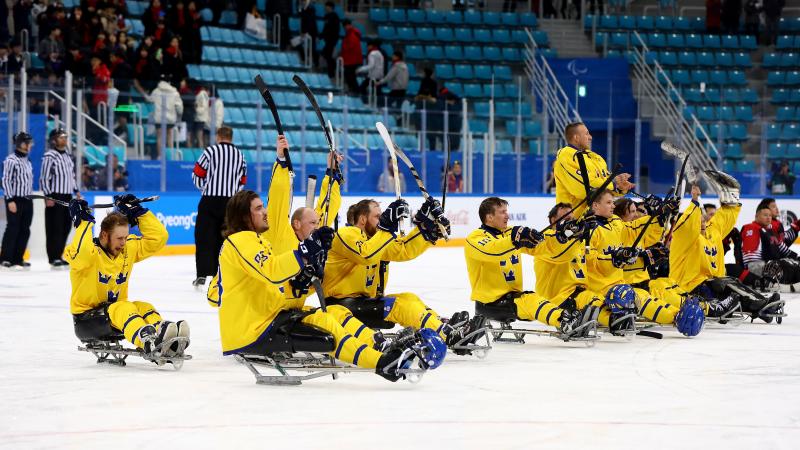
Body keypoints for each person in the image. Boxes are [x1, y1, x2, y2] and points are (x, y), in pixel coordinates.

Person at [209, 189, 438, 382]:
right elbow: (273, 272)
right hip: (253, 328)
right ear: (243, 215)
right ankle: (380, 362)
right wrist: (304, 254)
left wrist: (306, 276)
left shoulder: (258, 242)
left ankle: (376, 344)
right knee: (327, 322)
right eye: (258, 208)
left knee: (335, 312)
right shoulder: (239, 241)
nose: (265, 212)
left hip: (270, 316)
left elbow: (279, 290)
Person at [323, 196, 483, 354]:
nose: (382, 219)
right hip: (341, 305)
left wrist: (426, 230)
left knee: (408, 298)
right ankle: (447, 335)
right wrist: (386, 229)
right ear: (363, 219)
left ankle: (440, 324)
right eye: (378, 217)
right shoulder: (347, 234)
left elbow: (403, 249)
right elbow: (366, 254)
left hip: (365, 303)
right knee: (399, 305)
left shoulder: (376, 240)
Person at [66, 194, 190, 360]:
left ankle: (165, 337)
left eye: (125, 237)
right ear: (104, 235)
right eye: (119, 238)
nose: (124, 242)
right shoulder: (89, 254)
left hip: (114, 316)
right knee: (123, 308)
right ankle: (148, 342)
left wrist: (138, 213)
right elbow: (82, 253)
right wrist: (83, 222)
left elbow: (159, 238)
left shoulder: (127, 249)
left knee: (143, 306)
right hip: (86, 320)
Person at [465, 197, 596, 338]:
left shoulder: (509, 233)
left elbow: (545, 247)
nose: (507, 216)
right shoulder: (475, 238)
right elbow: (493, 250)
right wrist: (515, 239)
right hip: (489, 302)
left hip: (511, 298)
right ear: (489, 217)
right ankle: (564, 321)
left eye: (506, 211)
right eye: (502, 212)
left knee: (531, 300)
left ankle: (567, 319)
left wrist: (565, 236)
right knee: (530, 300)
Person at [585, 189, 705, 336]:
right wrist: (615, 258)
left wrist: (659, 215)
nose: (613, 206)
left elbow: (635, 229)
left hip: (619, 283)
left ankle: (679, 312)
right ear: (595, 206)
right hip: (599, 288)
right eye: (609, 202)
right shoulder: (589, 230)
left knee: (645, 297)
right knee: (640, 299)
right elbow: (589, 262)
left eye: (613, 202)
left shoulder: (615, 223)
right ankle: (675, 317)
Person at [670, 175, 783, 322]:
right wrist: (695, 201)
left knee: (730, 281)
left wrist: (731, 197)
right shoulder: (685, 240)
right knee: (724, 285)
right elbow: (686, 226)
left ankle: (762, 305)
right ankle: (762, 307)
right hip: (689, 288)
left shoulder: (712, 232)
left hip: (713, 282)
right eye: (697, 219)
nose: (702, 220)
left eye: (702, 218)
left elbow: (724, 217)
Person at [191, 126, 246, 289]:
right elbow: (242, 180)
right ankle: (220, 275)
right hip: (230, 203)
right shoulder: (240, 155)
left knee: (204, 237)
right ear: (231, 137)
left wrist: (205, 188)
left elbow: (197, 174)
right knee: (225, 240)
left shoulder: (210, 151)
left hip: (209, 200)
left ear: (218, 136)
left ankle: (202, 274)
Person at [554, 122, 634, 218]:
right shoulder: (566, 157)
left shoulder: (595, 158)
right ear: (576, 137)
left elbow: (606, 186)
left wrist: (619, 188)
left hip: (596, 219)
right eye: (586, 134)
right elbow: (584, 189)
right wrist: (613, 184)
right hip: (574, 222)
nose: (590, 137)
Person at [40, 128, 79, 269]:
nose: (64, 139)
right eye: (60, 137)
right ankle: (53, 257)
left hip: (68, 196)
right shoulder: (49, 156)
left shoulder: (68, 156)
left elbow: (71, 176)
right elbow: (44, 178)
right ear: (54, 140)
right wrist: (48, 196)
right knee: (54, 227)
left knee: (65, 227)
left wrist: (77, 191)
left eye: (65, 137)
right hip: (55, 196)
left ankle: (59, 255)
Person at [1, 132, 34, 271]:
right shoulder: (11, 160)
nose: (30, 145)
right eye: (28, 143)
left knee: (25, 230)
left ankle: (18, 258)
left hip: (27, 200)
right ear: (21, 144)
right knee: (12, 229)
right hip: (15, 200)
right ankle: (6, 259)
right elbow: (6, 180)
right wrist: (10, 200)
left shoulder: (28, 160)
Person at [148, 75, 183, 157]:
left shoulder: (156, 91)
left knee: (159, 137)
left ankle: (160, 156)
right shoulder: (174, 92)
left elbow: (150, 100)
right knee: (169, 137)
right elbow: (179, 107)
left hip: (159, 117)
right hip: (170, 118)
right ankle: (170, 156)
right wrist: (179, 114)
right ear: (169, 82)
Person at [341, 19, 362, 93]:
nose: (345, 28)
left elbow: (348, 47)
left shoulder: (351, 35)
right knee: (351, 77)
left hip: (350, 60)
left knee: (351, 77)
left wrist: (343, 52)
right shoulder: (352, 34)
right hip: (351, 60)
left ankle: (356, 92)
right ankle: (354, 91)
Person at [320, 1, 340, 79]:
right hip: (328, 40)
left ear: (330, 7)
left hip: (331, 40)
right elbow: (326, 28)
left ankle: (331, 72)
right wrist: (322, 36)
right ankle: (332, 71)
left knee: (328, 56)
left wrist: (334, 40)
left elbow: (333, 29)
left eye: (326, 7)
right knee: (327, 56)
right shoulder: (327, 16)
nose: (325, 8)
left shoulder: (334, 17)